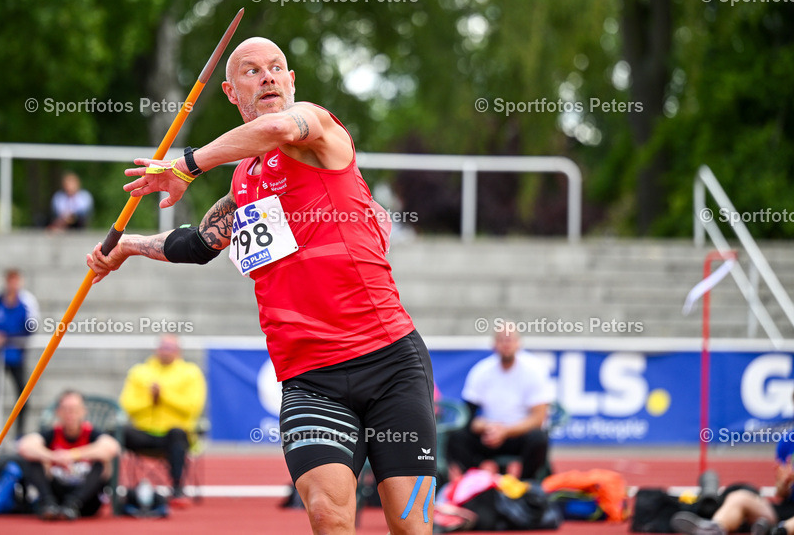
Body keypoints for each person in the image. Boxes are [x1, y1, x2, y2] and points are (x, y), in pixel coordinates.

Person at [87, 36, 437, 535]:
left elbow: (275, 129)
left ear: (292, 81)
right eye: (252, 71)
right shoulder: (245, 184)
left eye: (276, 68)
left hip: (389, 362)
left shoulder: (317, 127)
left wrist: (188, 164)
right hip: (309, 379)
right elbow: (201, 243)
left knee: (410, 527)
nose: (268, 76)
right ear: (232, 92)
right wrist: (128, 247)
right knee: (327, 514)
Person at [445, 325, 554, 481]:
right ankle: (471, 484)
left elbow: (538, 419)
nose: (506, 344)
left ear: (518, 343)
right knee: (457, 438)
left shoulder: (534, 370)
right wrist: (487, 427)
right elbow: (468, 415)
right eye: (501, 340)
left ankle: (526, 486)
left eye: (509, 340)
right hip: (488, 435)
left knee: (539, 439)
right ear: (494, 344)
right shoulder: (482, 370)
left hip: (519, 434)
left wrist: (506, 431)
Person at [119, 335, 207, 503]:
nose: (166, 352)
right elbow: (127, 404)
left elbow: (193, 407)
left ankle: (177, 487)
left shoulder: (190, 373)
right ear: (156, 349)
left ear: (178, 351)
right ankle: (108, 486)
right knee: (116, 433)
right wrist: (151, 400)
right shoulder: (139, 372)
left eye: (170, 348)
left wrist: (164, 396)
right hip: (143, 433)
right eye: (163, 347)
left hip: (173, 436)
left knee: (177, 434)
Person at [17, 389, 121, 520]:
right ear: (58, 412)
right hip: (57, 494)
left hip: (86, 500)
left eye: (75, 410)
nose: (70, 414)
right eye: (66, 409)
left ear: (83, 411)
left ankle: (73, 504)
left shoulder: (91, 433)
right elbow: (24, 446)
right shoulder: (54, 433)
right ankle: (48, 504)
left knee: (101, 462)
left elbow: (112, 447)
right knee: (33, 459)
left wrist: (73, 455)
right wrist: (53, 456)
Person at [0, 268, 39, 438]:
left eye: (17, 280)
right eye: (11, 280)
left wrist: (5, 337)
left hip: (16, 356)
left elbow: (31, 329)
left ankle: (19, 433)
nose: (14, 284)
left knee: (22, 395)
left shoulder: (27, 302)